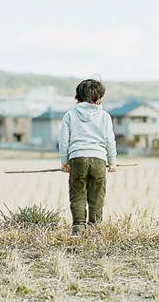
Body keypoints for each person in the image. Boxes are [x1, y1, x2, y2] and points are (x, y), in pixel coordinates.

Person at [58, 79, 117, 233]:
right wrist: (112, 162)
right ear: (98, 98)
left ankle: (78, 227)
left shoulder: (70, 115)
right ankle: (95, 228)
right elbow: (110, 140)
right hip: (99, 159)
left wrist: (65, 162)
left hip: (77, 158)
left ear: (77, 97)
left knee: (77, 194)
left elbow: (64, 140)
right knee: (97, 195)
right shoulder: (105, 116)